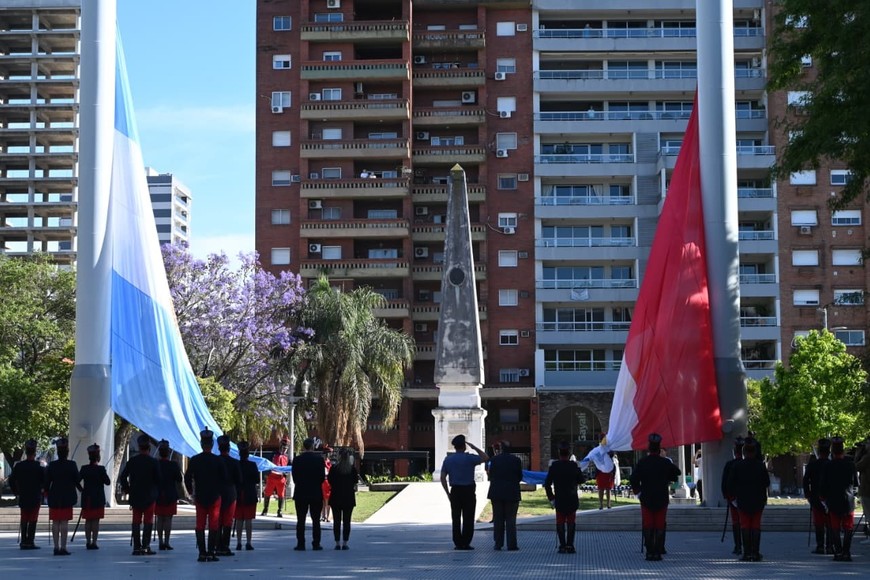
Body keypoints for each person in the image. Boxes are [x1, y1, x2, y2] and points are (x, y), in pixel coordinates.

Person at [630, 433, 680, 561]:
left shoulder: (642, 462)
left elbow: (633, 479)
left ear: (649, 448)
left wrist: (638, 492)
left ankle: (649, 552)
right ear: (659, 449)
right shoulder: (665, 463)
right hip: (661, 498)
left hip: (646, 498)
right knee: (659, 525)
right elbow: (676, 473)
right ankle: (657, 552)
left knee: (648, 525)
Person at [185, 428, 229, 562]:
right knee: (214, 524)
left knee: (200, 525)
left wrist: (191, 492)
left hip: (200, 496)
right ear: (212, 444)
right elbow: (224, 478)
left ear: (201, 444)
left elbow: (187, 477)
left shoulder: (195, 460)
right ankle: (211, 552)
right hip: (215, 496)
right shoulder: (218, 460)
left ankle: (202, 553)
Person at [440, 434, 489, 550]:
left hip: (455, 490)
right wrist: (475, 448)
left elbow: (442, 477)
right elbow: (486, 458)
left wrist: (448, 493)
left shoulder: (448, 459)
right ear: (464, 446)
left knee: (456, 517)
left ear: (455, 447)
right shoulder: (469, 458)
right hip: (468, 491)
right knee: (468, 517)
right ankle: (466, 542)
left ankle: (457, 542)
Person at [726, 437, 769, 562]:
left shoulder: (737, 466)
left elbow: (730, 484)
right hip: (758, 500)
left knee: (745, 525)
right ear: (755, 452)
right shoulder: (760, 466)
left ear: (744, 452)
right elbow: (766, 482)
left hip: (743, 500)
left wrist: (734, 497)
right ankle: (755, 553)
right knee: (755, 526)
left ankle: (746, 553)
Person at [120, 434, 160, 556]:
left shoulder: (132, 461)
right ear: (148, 447)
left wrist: (127, 489)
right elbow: (159, 479)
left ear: (139, 447)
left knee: (136, 521)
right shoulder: (153, 462)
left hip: (135, 495)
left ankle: (137, 547)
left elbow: (123, 477)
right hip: (149, 496)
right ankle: (146, 546)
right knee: (148, 521)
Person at [820, 436, 859, 561]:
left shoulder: (828, 466)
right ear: (843, 450)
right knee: (848, 527)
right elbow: (856, 484)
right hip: (848, 500)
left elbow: (823, 485)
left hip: (833, 500)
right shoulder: (850, 465)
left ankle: (838, 552)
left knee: (835, 527)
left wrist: (824, 498)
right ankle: (846, 552)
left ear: (832, 451)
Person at [544, 441, 583, 554]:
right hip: (571, 498)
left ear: (559, 453)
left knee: (560, 522)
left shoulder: (554, 466)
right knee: (571, 522)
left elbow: (547, 484)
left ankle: (562, 546)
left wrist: (551, 498)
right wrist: (578, 468)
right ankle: (570, 545)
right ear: (569, 453)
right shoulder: (574, 466)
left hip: (559, 499)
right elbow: (581, 480)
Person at [45, 436, 82, 556]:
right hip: (67, 495)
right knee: (64, 522)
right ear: (67, 451)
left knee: (56, 522)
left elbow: (47, 482)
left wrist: (46, 492)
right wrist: (81, 490)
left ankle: (56, 547)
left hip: (55, 495)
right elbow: (77, 480)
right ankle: (63, 547)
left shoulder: (52, 465)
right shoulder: (72, 464)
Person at [8, 438, 45, 550]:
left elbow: (11, 480)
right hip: (35, 496)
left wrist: (16, 492)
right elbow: (44, 481)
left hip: (23, 495)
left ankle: (24, 541)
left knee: (24, 518)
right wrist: (43, 490)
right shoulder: (39, 466)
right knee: (33, 519)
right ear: (34, 452)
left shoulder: (19, 466)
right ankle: (30, 541)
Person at [487, 440, 522, 551]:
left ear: (501, 449)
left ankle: (498, 543)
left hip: (496, 492)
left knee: (498, 519)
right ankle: (512, 544)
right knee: (511, 520)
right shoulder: (516, 460)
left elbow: (491, 474)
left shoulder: (494, 460)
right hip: (512, 492)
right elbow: (519, 476)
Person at [292, 437, 326, 550]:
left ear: (304, 447)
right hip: (315, 492)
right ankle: (316, 543)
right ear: (312, 446)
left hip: (301, 492)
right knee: (316, 520)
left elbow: (294, 478)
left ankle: (300, 543)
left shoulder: (297, 460)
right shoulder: (319, 460)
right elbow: (322, 477)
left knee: (300, 520)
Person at [803, 438, 833, 554]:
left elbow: (806, 480)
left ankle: (820, 546)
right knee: (830, 523)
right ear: (829, 451)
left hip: (815, 498)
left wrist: (808, 494)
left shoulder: (813, 464)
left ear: (819, 451)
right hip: (829, 499)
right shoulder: (831, 465)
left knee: (819, 523)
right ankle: (830, 546)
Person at [79, 443, 110, 550]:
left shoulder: (84, 468)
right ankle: (94, 542)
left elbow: (77, 481)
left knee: (88, 521)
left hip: (87, 497)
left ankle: (88, 541)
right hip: (98, 498)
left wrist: (81, 489)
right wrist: (103, 474)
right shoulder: (101, 469)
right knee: (95, 521)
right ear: (98, 457)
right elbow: (108, 482)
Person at [327, 447, 359, 550]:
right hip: (348, 498)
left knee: (336, 521)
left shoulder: (334, 468)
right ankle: (345, 543)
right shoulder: (352, 469)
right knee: (347, 521)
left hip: (336, 497)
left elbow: (330, 481)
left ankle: (337, 543)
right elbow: (355, 482)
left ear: (340, 457)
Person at [216, 434, 242, 557]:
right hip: (231, 494)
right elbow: (239, 480)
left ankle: (216, 545)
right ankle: (225, 546)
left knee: (217, 521)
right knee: (227, 521)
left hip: (217, 494)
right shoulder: (235, 463)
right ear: (229, 448)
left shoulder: (215, 460)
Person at [155, 439, 183, 551]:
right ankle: (166, 541)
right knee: (168, 519)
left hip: (158, 494)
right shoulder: (173, 465)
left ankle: (160, 541)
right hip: (170, 494)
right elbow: (179, 479)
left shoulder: (155, 463)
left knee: (160, 518)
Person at [720, 437, 745, 555]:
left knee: (736, 522)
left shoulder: (730, 465)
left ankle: (738, 546)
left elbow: (725, 483)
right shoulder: (755, 464)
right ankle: (748, 547)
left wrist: (728, 496)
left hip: (734, 498)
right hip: (746, 498)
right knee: (747, 522)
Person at [235, 441, 260, 551]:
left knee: (239, 519)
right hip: (249, 494)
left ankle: (239, 542)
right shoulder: (252, 465)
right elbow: (256, 480)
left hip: (239, 495)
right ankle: (249, 542)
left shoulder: (236, 465)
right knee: (248, 520)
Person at [262, 436, 290, 517]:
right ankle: (265, 509)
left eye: (286, 448)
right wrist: (266, 475)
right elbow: (268, 464)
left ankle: (279, 511)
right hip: (271, 476)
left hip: (281, 478)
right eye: (283, 447)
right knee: (267, 493)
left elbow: (289, 468)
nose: (284, 449)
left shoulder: (287, 457)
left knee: (281, 494)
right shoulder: (273, 454)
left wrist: (286, 478)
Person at [854, 438, 870, 546]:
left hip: (867, 490)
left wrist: (858, 453)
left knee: (869, 515)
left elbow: (856, 466)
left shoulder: (868, 457)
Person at [321, 447, 332, 523]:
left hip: (328, 482)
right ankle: (323, 516)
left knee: (328, 501)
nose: (327, 455)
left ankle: (327, 516)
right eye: (326, 454)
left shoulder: (330, 463)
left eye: (328, 454)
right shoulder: (321, 462)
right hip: (322, 482)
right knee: (322, 501)